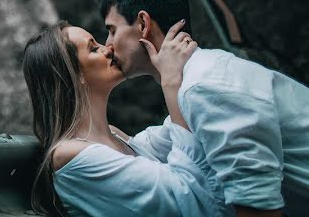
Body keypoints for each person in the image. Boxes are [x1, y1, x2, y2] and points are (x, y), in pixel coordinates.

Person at [102, 0, 309, 217]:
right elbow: (147, 146)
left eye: (112, 31)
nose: (107, 45)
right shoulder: (196, 82)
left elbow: (259, 212)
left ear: (143, 24)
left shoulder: (204, 87)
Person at [22, 19, 229, 216]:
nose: (108, 48)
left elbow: (175, 134)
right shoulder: (71, 156)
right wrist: (171, 82)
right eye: (94, 49)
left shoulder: (112, 134)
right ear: (73, 75)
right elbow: (185, 200)